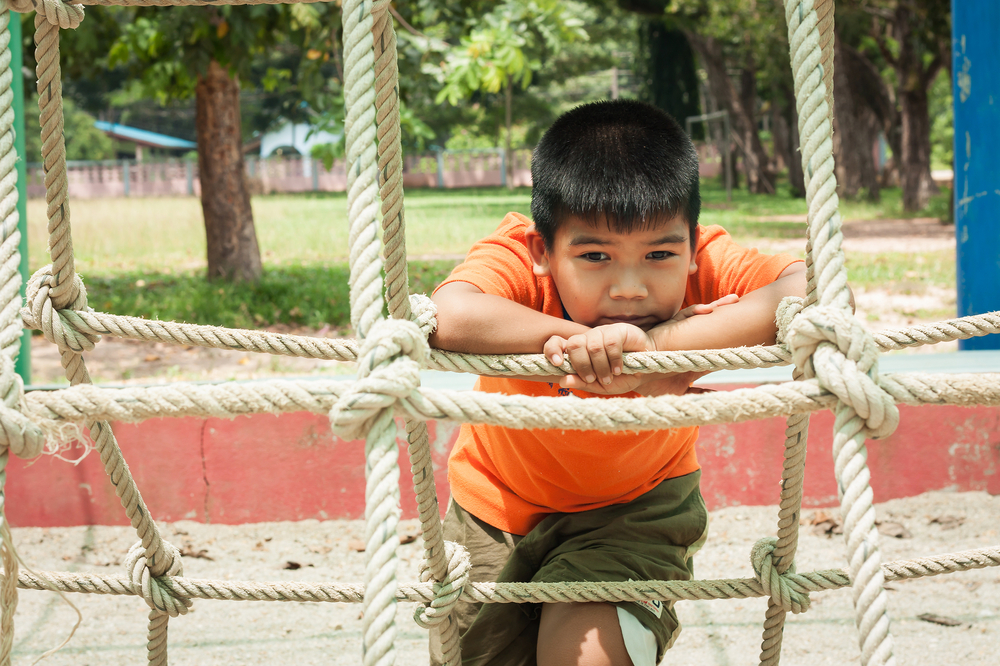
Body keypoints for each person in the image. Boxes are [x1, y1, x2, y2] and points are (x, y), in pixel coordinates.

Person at [428, 99, 806, 666]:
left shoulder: (700, 258)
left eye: (658, 254)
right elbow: (450, 316)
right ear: (542, 251)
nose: (630, 288)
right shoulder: (514, 256)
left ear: (691, 244)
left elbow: (813, 291)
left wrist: (665, 350)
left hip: (637, 512)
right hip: (495, 509)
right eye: (596, 256)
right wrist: (576, 343)